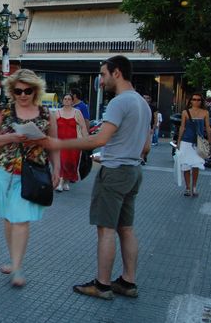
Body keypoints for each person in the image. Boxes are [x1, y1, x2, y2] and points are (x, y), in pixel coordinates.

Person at [42, 55, 151, 300]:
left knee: (106, 230)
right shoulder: (143, 104)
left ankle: (102, 285)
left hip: (115, 174)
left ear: (117, 73)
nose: (100, 81)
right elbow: (145, 147)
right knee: (127, 229)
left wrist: (59, 142)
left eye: (103, 74)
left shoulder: (119, 102)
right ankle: (128, 282)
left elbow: (98, 139)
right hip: (133, 171)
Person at [0, 69, 60, 287]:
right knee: (9, 218)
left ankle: (17, 268)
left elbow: (53, 144)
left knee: (20, 219)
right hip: (4, 173)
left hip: (32, 174)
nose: (23, 95)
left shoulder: (46, 114)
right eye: (18, 91)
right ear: (12, 90)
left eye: (27, 90)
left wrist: (57, 169)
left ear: (35, 90)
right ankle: (13, 260)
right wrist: (12, 137)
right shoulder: (3, 110)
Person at [176, 93, 211, 197]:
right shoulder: (185, 112)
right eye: (194, 99)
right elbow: (182, 127)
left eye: (199, 100)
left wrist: (209, 142)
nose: (196, 101)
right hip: (186, 142)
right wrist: (178, 141)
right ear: (190, 101)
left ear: (201, 101)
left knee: (196, 165)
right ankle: (187, 188)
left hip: (199, 143)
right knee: (186, 165)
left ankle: (194, 187)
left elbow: (208, 128)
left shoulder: (205, 112)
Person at [56, 93, 88, 192]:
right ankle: (60, 182)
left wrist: (87, 141)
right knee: (62, 161)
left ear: (72, 101)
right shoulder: (57, 112)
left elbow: (83, 127)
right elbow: (52, 127)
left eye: (69, 99)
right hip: (61, 143)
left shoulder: (77, 112)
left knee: (71, 163)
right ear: (62, 101)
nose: (67, 100)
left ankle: (66, 182)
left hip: (74, 143)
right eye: (65, 99)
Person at [141, 94, 159, 164]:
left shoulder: (153, 108)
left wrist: (153, 128)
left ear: (150, 99)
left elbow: (155, 118)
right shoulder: (140, 106)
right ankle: (141, 158)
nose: (145, 99)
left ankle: (144, 155)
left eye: (147, 98)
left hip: (149, 127)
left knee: (148, 145)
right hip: (141, 127)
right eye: (144, 98)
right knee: (141, 143)